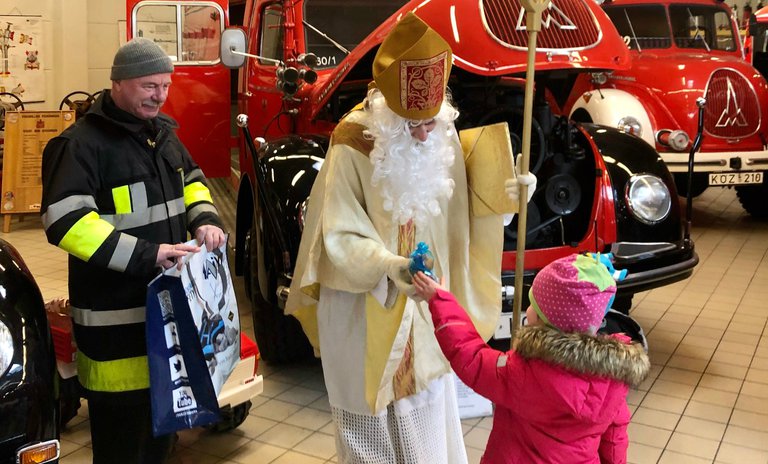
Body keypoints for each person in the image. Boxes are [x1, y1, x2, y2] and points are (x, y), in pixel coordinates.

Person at [284, 11, 535, 464]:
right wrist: (390, 266)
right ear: (385, 116)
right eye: (410, 126)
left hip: (424, 309)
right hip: (363, 305)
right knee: (368, 432)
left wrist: (507, 195)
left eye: (430, 123)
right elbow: (335, 232)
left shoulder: (439, 133)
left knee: (425, 420)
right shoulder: (352, 142)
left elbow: (462, 212)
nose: (423, 134)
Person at [40, 37, 226, 464]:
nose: (160, 95)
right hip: (115, 328)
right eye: (148, 86)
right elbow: (66, 223)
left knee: (162, 436)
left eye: (165, 85)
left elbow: (194, 181)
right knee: (122, 443)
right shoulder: (81, 145)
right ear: (118, 83)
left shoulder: (162, 136)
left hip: (165, 323)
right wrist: (149, 254)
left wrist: (206, 220)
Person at [412, 253, 651, 464]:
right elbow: (615, 435)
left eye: (532, 304)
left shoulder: (522, 372)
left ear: (542, 320)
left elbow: (471, 356)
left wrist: (440, 300)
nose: (527, 309)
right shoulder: (612, 380)